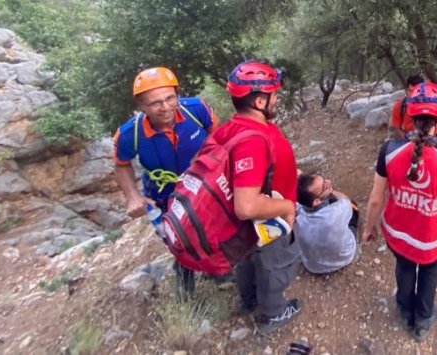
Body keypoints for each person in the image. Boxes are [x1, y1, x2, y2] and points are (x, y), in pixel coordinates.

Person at [362, 81, 437, 342]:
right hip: (430, 239)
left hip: (398, 232)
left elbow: (375, 199)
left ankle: (405, 309)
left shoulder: (389, 151)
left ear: (409, 114)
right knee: (430, 272)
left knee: (404, 267)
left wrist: (369, 228)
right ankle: (423, 319)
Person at [212, 60, 302, 335]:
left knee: (247, 259)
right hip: (267, 219)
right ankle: (273, 313)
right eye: (275, 95)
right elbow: (247, 205)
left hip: (241, 227)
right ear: (260, 101)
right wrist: (287, 206)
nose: (278, 99)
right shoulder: (252, 140)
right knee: (275, 265)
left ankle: (249, 299)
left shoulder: (230, 129)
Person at [113, 66, 217, 293]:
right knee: (175, 239)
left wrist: (207, 153)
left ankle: (217, 270)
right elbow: (121, 165)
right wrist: (132, 196)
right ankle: (185, 278)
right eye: (155, 103)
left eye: (170, 98)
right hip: (162, 195)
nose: (165, 107)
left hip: (202, 186)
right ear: (141, 106)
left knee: (212, 228)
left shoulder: (196, 109)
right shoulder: (130, 134)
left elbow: (217, 134)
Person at [295, 172, 359, 274]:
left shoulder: (294, 217)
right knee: (353, 206)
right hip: (345, 257)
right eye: (325, 186)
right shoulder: (337, 211)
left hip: (313, 266)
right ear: (316, 201)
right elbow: (346, 200)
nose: (328, 182)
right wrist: (332, 191)